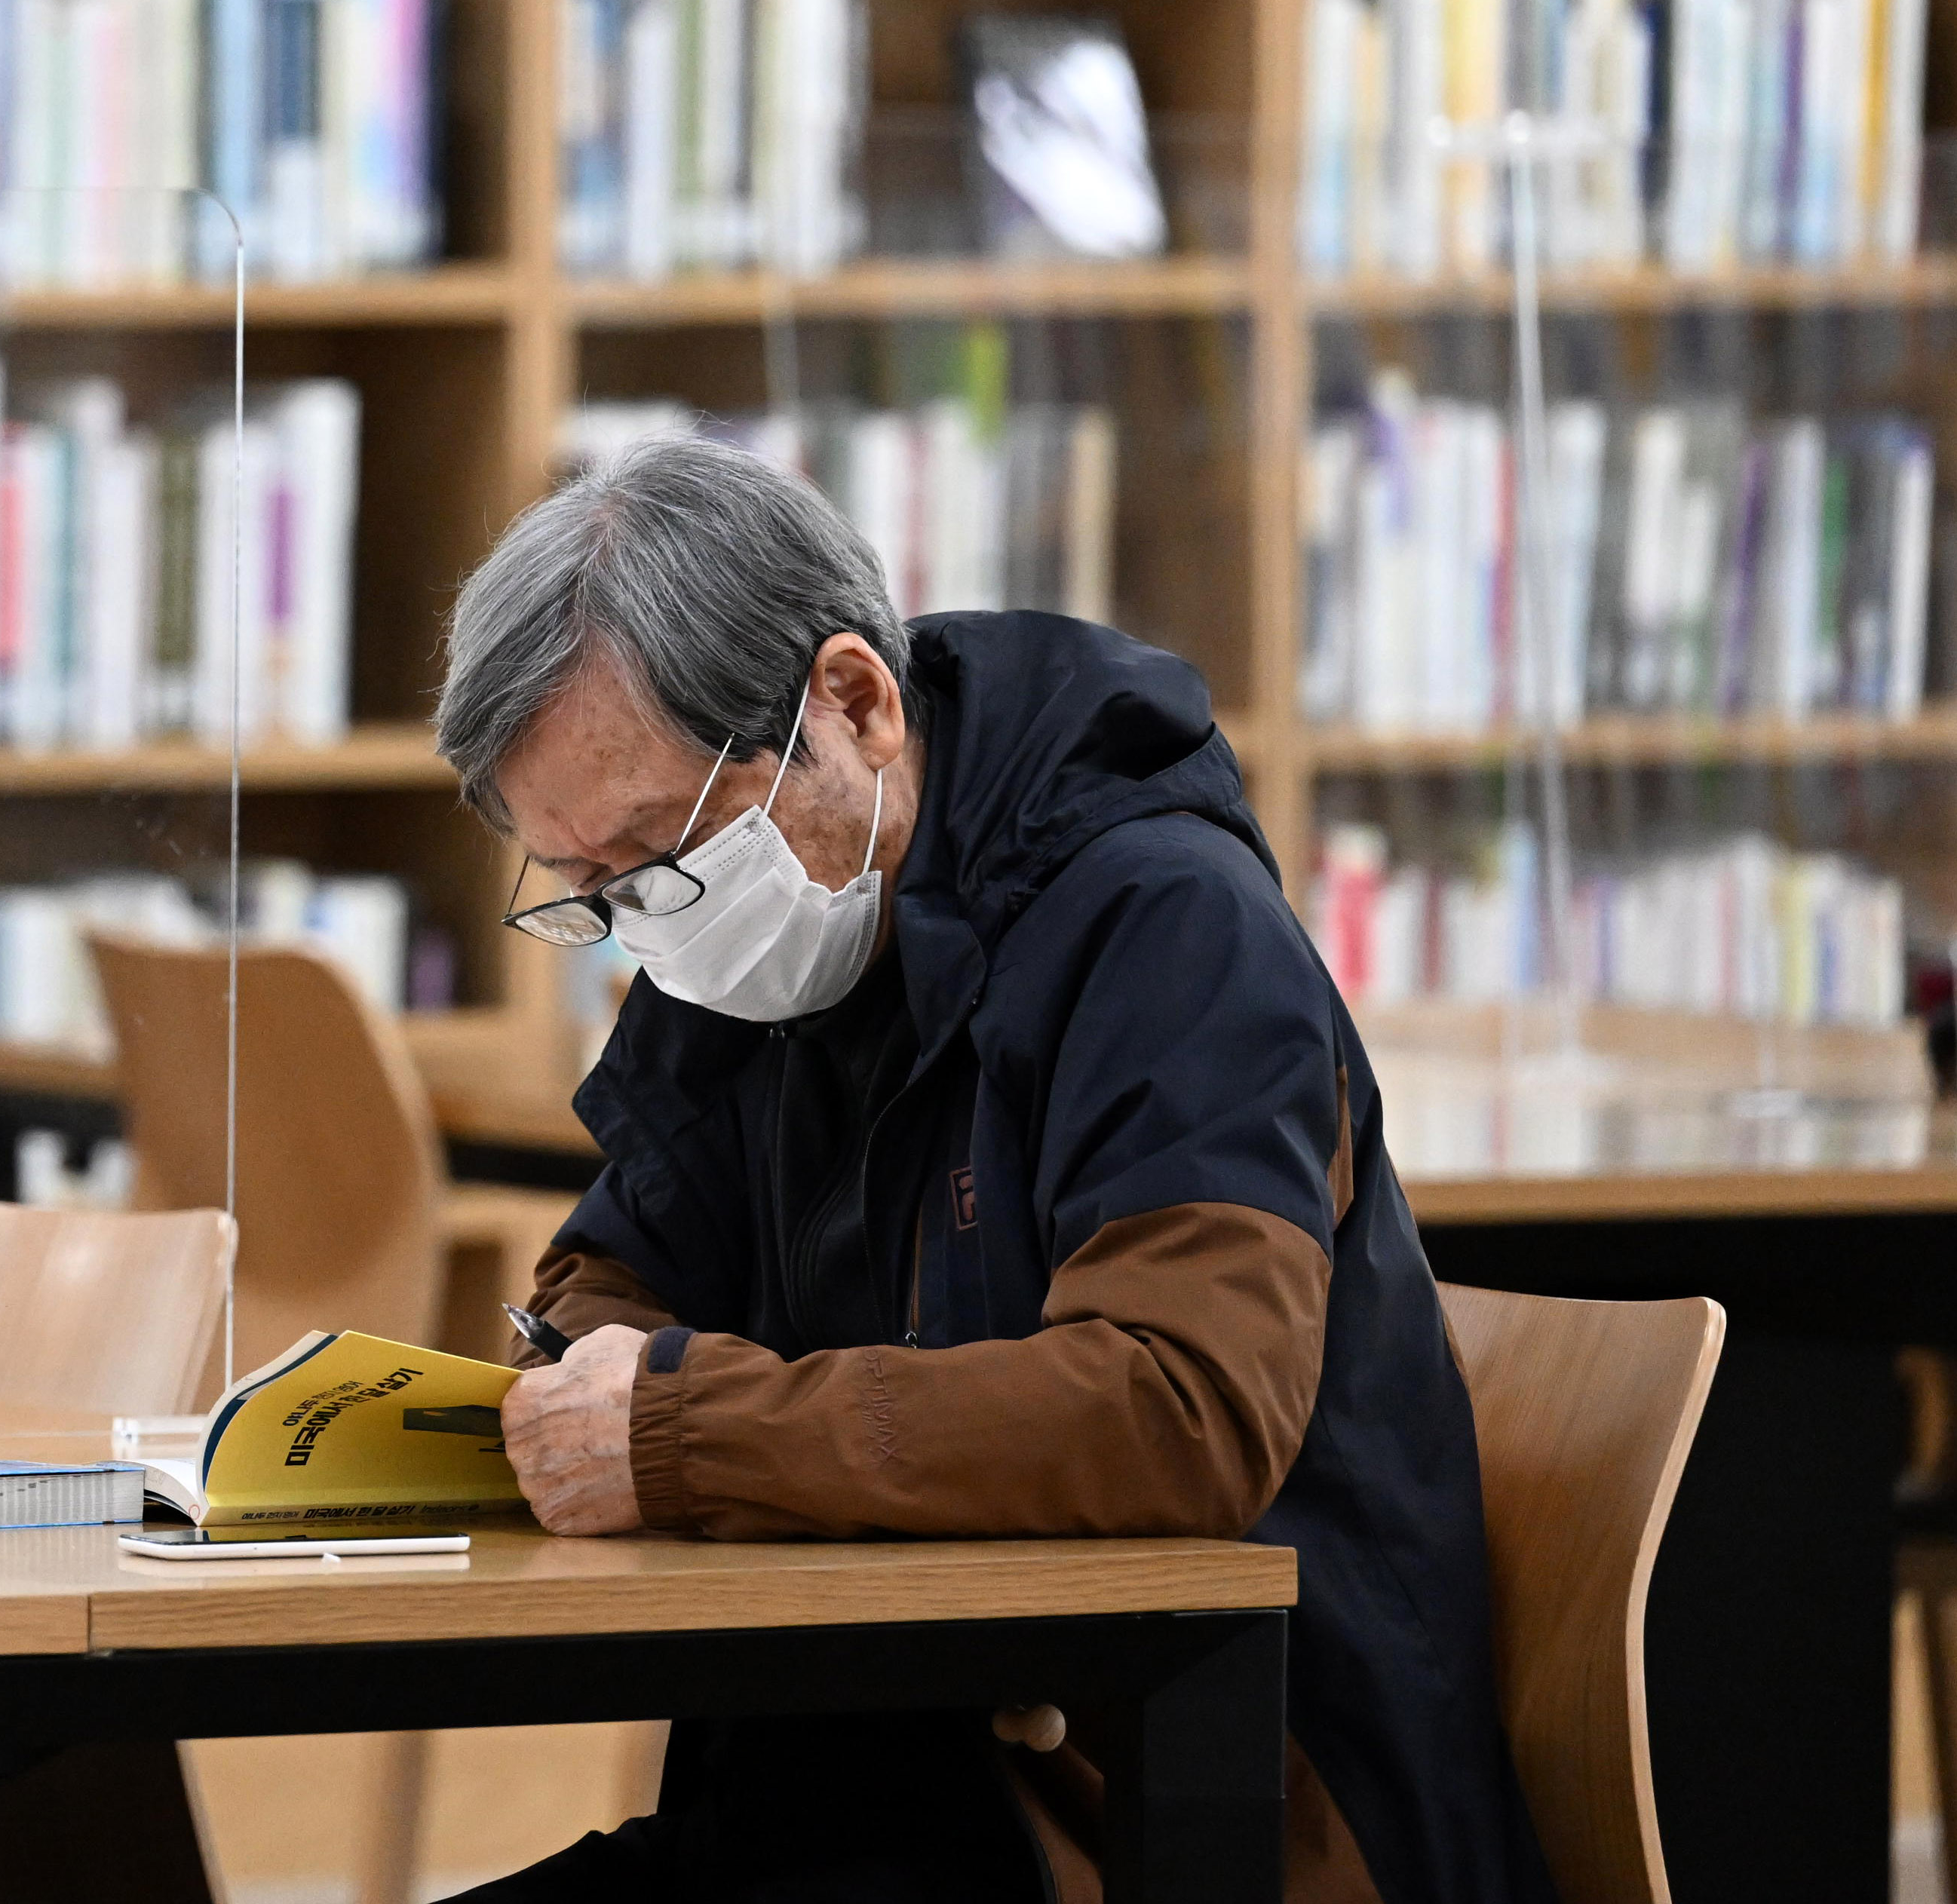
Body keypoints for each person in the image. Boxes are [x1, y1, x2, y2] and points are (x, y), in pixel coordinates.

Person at [436, 437, 1550, 1904]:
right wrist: (593, 1367)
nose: (650, 929)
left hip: (1187, 1816)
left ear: (855, 704)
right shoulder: (755, 954)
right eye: (595, 895)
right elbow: (621, 1264)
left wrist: (687, 1435)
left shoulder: (1169, 930)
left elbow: (1180, 1405)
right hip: (867, 1793)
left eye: (660, 857)